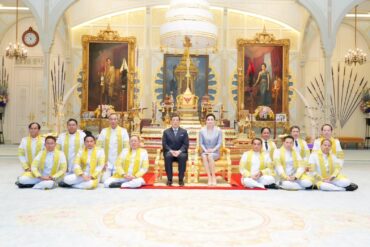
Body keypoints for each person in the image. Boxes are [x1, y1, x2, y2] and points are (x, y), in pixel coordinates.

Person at [97, 112, 129, 183]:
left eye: (115, 119)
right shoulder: (104, 131)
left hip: (119, 162)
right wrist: (102, 162)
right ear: (108, 120)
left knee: (118, 177)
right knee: (103, 180)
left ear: (118, 120)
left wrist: (123, 161)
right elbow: (99, 147)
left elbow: (126, 148)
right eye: (111, 119)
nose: (113, 121)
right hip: (107, 162)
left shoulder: (123, 131)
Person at [162, 113, 189, 186]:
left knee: (183, 157)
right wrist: (171, 151)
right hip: (170, 152)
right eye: (173, 120)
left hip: (180, 152)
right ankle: (169, 179)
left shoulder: (184, 132)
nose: (175, 122)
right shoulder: (166, 132)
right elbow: (164, 144)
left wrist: (179, 151)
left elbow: (186, 144)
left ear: (179, 122)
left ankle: (181, 179)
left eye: (177, 120)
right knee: (167, 156)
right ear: (171, 122)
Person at [16, 122, 45, 187]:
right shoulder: (24, 140)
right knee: (22, 179)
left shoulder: (44, 140)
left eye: (35, 128)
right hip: (29, 168)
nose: (33, 130)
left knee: (22, 180)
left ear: (39, 130)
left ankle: (37, 180)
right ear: (29, 130)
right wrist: (26, 167)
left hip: (41, 169)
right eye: (31, 128)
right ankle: (40, 181)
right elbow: (21, 155)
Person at [199, 113, 222, 186]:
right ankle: (209, 177)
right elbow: (201, 143)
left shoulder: (218, 130)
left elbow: (219, 143)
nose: (210, 121)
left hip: (215, 152)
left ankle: (214, 176)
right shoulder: (202, 131)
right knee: (204, 156)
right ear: (206, 121)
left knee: (210, 156)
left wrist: (212, 150)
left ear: (214, 121)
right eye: (208, 119)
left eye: (212, 119)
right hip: (205, 151)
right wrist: (206, 150)